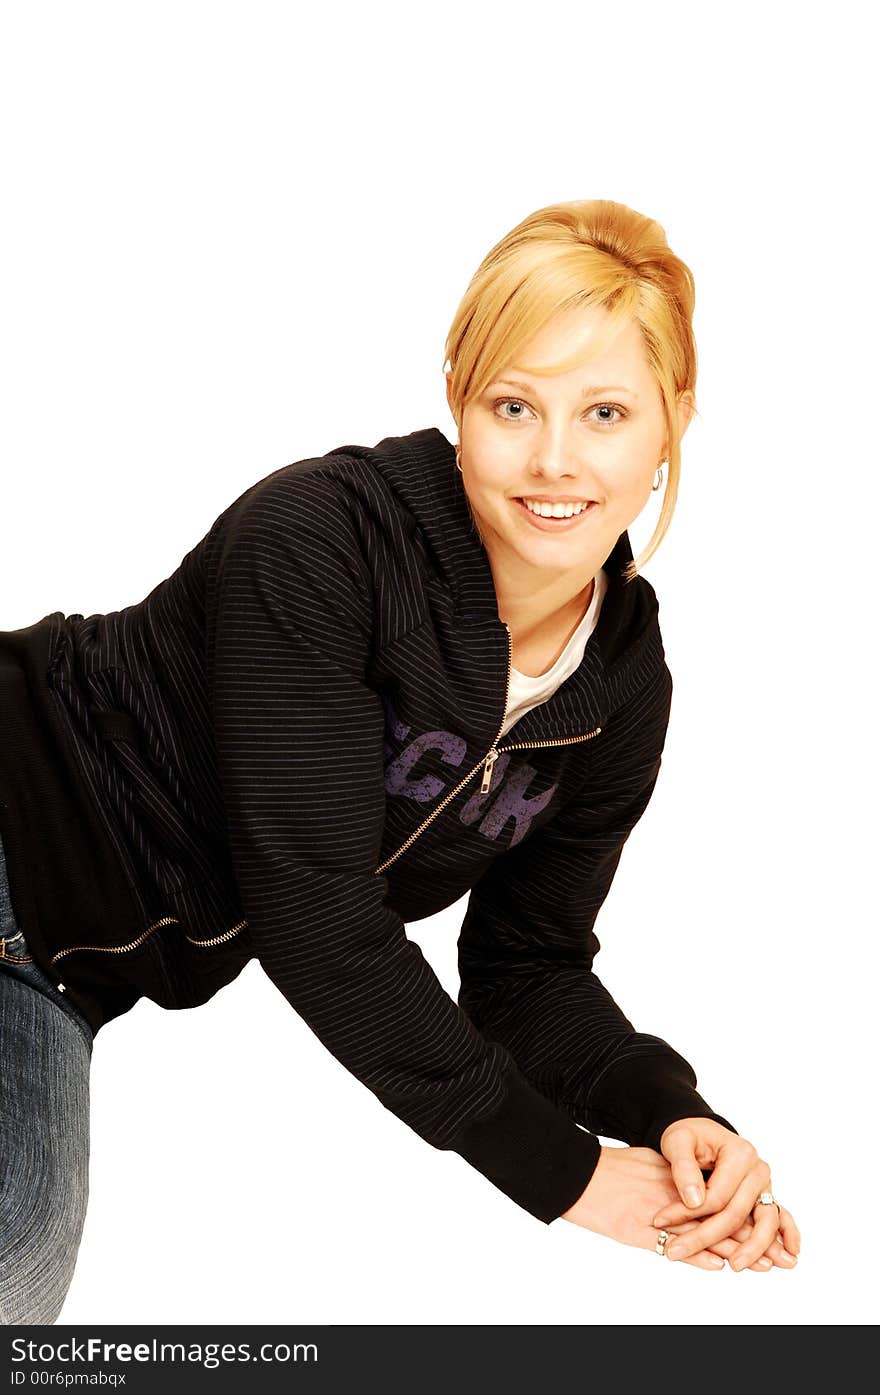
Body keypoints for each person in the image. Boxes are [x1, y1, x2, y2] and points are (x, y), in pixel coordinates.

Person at [0, 197, 800, 1323]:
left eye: (607, 412)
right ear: (457, 402)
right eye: (514, 405)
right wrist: (558, 1172)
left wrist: (667, 1114)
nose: (555, 459)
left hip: (57, 974)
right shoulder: (323, 537)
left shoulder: (617, 688)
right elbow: (315, 910)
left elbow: (529, 967)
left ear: (673, 422)